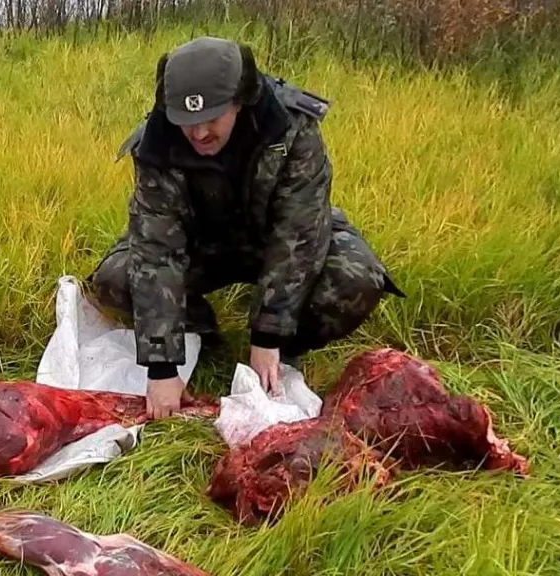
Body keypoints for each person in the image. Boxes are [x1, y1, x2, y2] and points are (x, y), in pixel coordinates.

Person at [87, 36, 403, 419]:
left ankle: (284, 350)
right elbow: (157, 250)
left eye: (212, 119)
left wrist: (269, 333)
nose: (199, 133)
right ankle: (198, 335)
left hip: (276, 239)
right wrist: (162, 365)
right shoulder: (158, 141)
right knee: (115, 280)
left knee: (356, 279)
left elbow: (299, 232)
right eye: (188, 122)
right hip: (200, 246)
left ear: (240, 100)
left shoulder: (292, 126)